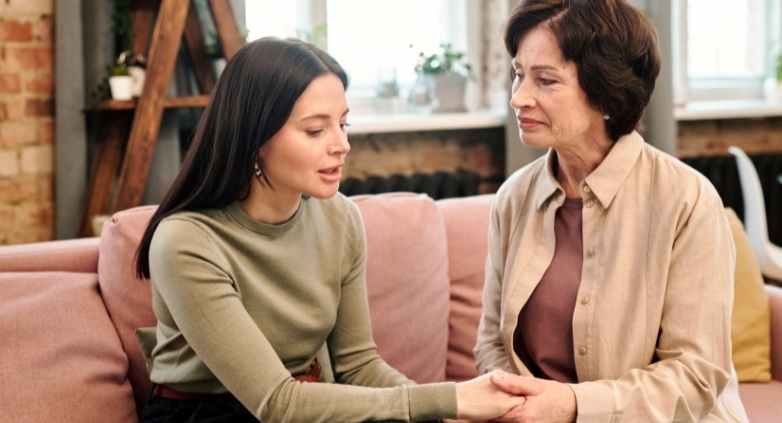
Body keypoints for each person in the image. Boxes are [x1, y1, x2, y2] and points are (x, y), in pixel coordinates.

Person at [133, 36, 523, 423]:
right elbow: (277, 403)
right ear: (254, 139)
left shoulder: (339, 217)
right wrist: (448, 399)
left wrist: (438, 414)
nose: (342, 145)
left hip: (311, 403)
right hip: (207, 413)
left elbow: (358, 366)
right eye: (316, 130)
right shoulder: (185, 241)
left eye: (343, 123)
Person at [474, 1, 749, 422]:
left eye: (545, 80)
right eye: (518, 75)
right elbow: (492, 342)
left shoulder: (686, 200)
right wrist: (519, 403)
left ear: (606, 93)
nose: (519, 98)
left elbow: (696, 376)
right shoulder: (513, 198)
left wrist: (572, 406)